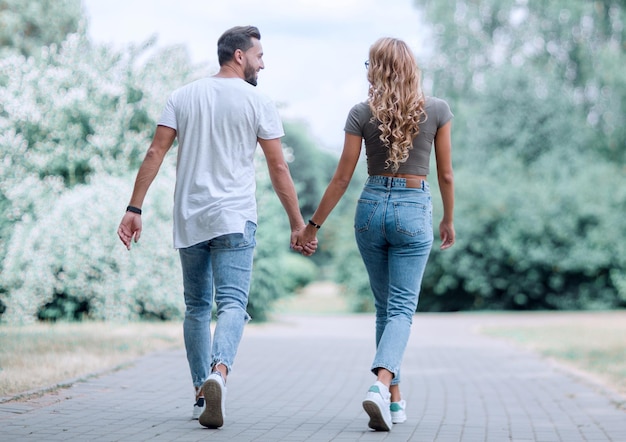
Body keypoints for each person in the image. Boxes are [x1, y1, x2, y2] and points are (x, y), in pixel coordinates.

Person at [117, 25, 316, 429]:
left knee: (196, 307)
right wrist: (298, 223)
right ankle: (218, 374)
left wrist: (134, 207)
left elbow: (156, 151)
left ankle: (198, 394)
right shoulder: (258, 100)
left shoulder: (182, 96)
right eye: (259, 55)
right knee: (232, 305)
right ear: (239, 55)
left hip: (190, 217)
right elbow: (278, 167)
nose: (264, 62)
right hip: (234, 217)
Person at [296, 37, 455, 431]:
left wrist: (311, 225)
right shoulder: (436, 110)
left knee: (386, 308)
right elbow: (446, 174)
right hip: (413, 208)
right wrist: (448, 219)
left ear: (378, 69)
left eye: (368, 63)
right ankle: (381, 386)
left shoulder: (360, 113)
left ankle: (396, 402)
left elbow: (342, 177)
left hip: (370, 209)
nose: (366, 69)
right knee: (401, 308)